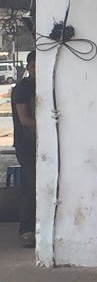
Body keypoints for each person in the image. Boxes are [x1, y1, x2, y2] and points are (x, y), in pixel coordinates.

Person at [11, 50, 36, 248]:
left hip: (37, 143)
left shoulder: (42, 86)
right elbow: (25, 119)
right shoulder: (23, 88)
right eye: (34, 66)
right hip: (26, 144)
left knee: (29, 185)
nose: (37, 70)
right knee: (34, 184)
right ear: (28, 67)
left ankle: (29, 229)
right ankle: (27, 229)